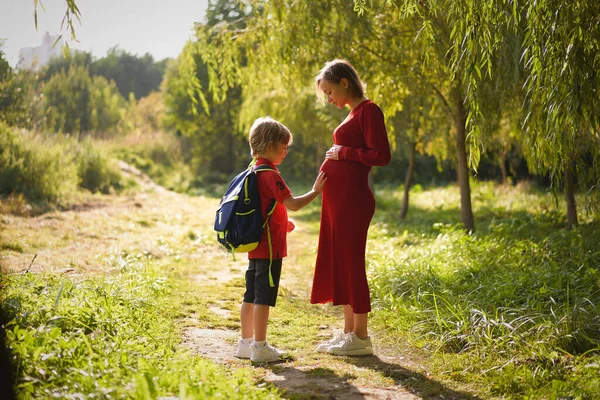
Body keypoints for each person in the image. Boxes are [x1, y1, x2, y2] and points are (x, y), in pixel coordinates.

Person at [311, 59, 391, 356]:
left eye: (330, 92)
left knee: (352, 264)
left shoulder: (369, 110)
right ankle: (348, 333)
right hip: (338, 201)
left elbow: (380, 155)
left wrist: (345, 152)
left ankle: (361, 336)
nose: (329, 99)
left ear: (345, 82)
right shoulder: (353, 113)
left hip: (353, 201)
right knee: (341, 263)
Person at [235, 116, 327, 363]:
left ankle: (245, 344)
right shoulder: (271, 174)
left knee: (250, 295)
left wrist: (279, 222)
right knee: (263, 298)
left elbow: (262, 207)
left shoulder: (253, 170)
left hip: (256, 246)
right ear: (269, 144)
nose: (286, 151)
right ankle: (260, 347)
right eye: (284, 146)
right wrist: (316, 191)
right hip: (270, 250)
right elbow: (294, 204)